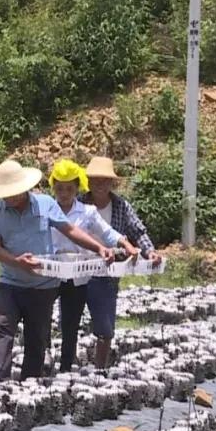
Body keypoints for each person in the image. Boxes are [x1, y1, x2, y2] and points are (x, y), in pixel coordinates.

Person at [0, 158, 113, 381]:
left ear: (25, 189)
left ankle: (29, 385)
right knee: (2, 329)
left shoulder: (45, 205)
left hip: (43, 287)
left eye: (14, 192)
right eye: (6, 193)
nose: (10, 197)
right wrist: (16, 261)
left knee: (37, 338)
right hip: (10, 282)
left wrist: (99, 247)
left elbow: (70, 229)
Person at [47, 159, 140, 373]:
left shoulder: (87, 212)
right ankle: (42, 359)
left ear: (77, 188)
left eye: (69, 189)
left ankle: (65, 368)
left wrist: (126, 244)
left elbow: (107, 232)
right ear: (54, 188)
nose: (64, 193)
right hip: (50, 273)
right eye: (59, 188)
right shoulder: (46, 209)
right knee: (41, 319)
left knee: (70, 324)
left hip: (77, 275)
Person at [80, 156, 163, 369]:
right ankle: (68, 367)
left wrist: (150, 252)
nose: (99, 184)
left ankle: (101, 368)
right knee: (70, 323)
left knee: (105, 326)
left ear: (112, 183)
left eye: (104, 181)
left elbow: (137, 231)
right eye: (95, 180)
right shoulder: (79, 204)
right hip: (79, 270)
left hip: (108, 271)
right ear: (88, 181)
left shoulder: (121, 206)